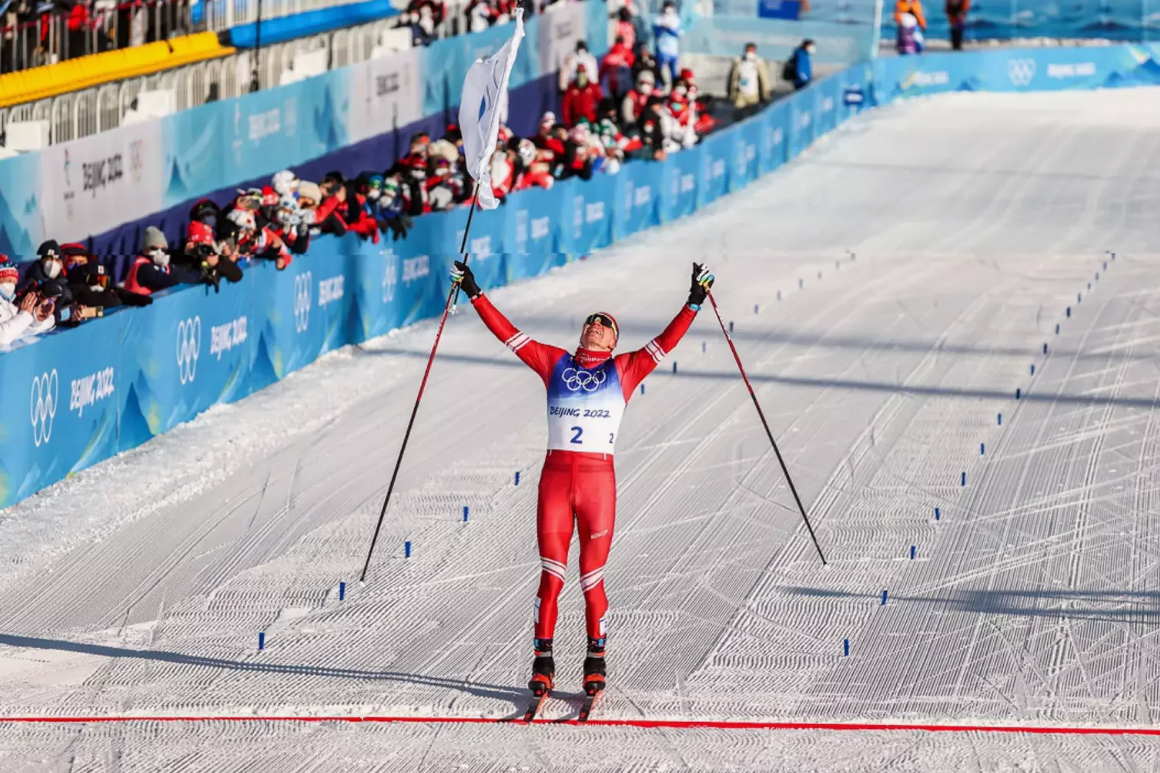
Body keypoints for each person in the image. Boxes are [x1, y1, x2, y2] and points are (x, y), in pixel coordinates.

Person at [449, 259, 716, 699]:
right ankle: (543, 663)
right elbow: (508, 334)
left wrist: (692, 303)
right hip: (555, 482)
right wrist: (474, 292)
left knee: (592, 578)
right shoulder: (553, 362)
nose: (596, 325)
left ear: (614, 340)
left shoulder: (624, 369)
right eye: (591, 321)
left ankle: (595, 662)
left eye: (605, 324)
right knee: (551, 576)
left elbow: (665, 343)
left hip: (597, 485)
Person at [0, 255, 55, 346]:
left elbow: (18, 332)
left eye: (14, 282)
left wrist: (36, 318)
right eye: (9, 281)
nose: (11, 286)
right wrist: (24, 314)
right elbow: (2, 338)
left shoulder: (7, 305)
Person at [728, 42, 771, 115]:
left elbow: (764, 80)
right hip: (740, 93)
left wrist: (765, 94)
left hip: (753, 94)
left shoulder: (759, 62)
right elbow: (732, 78)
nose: (749, 52)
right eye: (748, 50)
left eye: (751, 50)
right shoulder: (739, 61)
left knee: (753, 114)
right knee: (738, 114)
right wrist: (731, 93)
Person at [652, 0, 683, 88]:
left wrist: (669, 28)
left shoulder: (676, 20)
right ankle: (658, 89)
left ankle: (674, 89)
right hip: (662, 49)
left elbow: (679, 34)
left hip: (673, 51)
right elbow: (656, 33)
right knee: (660, 71)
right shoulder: (659, 19)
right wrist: (662, 27)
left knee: (673, 73)